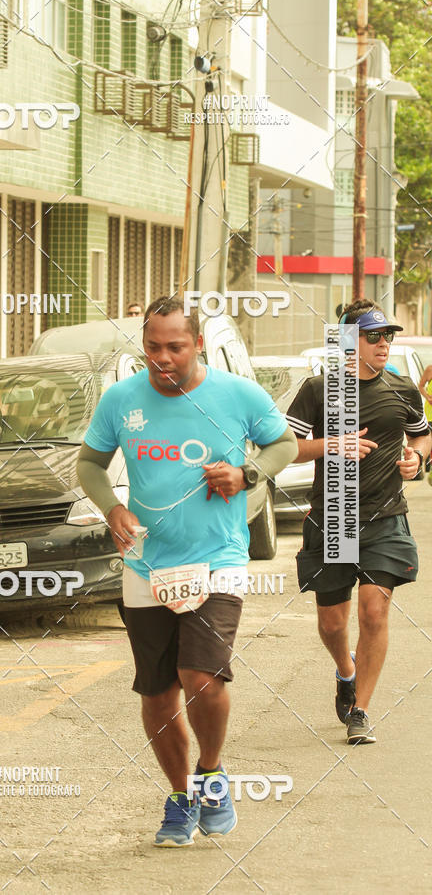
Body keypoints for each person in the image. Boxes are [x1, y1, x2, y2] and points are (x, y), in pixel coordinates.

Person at [77, 296, 297, 846]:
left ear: (197, 344)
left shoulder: (238, 394)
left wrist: (247, 474)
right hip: (146, 562)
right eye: (153, 347)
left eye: (175, 346)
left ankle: (212, 772)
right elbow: (89, 463)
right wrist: (113, 508)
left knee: (201, 676)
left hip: (218, 557)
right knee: (157, 692)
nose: (163, 358)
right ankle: (180, 796)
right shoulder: (121, 399)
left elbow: (285, 443)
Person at [287, 300, 431, 745]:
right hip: (333, 518)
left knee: (374, 609)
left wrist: (416, 458)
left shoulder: (402, 389)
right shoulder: (319, 390)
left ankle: (361, 711)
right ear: (349, 342)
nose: (384, 343)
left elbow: (422, 435)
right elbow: (286, 448)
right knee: (333, 624)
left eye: (388, 335)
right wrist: (333, 445)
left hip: (385, 517)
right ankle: (345, 670)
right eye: (373, 336)